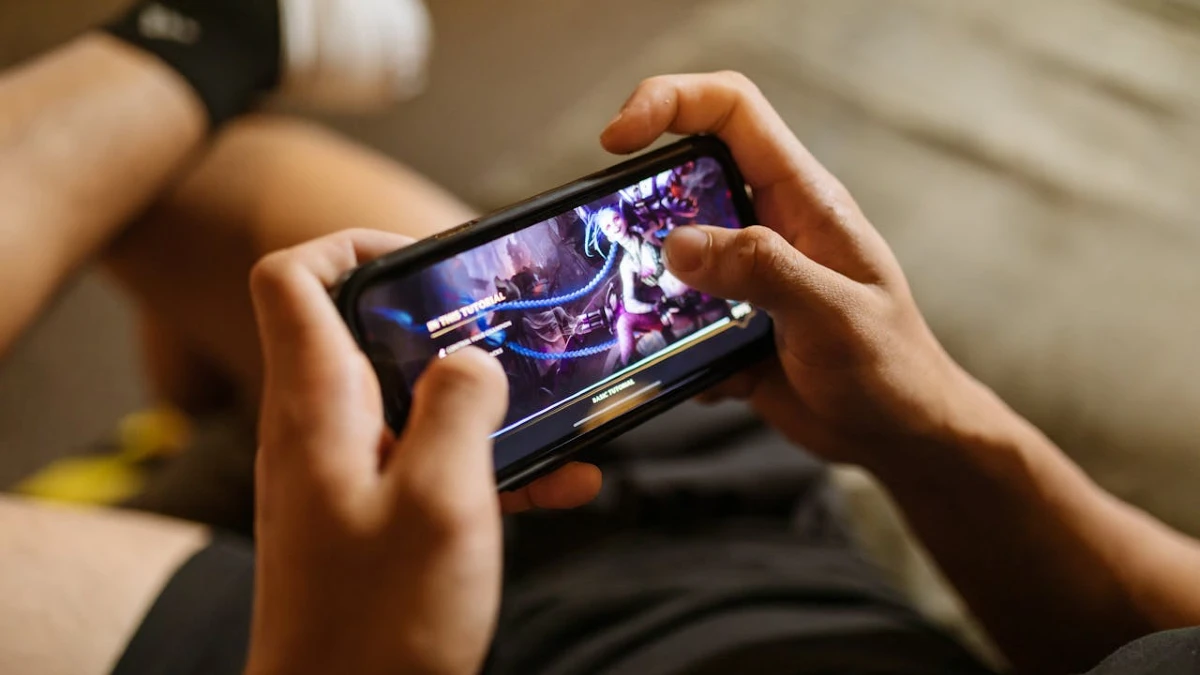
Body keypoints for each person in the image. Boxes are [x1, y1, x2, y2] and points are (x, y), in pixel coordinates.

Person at [1, 9, 1198, 675]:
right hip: (741, 538)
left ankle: (208, 41)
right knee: (209, 194)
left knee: (151, 174)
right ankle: (212, 59)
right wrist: (927, 425)